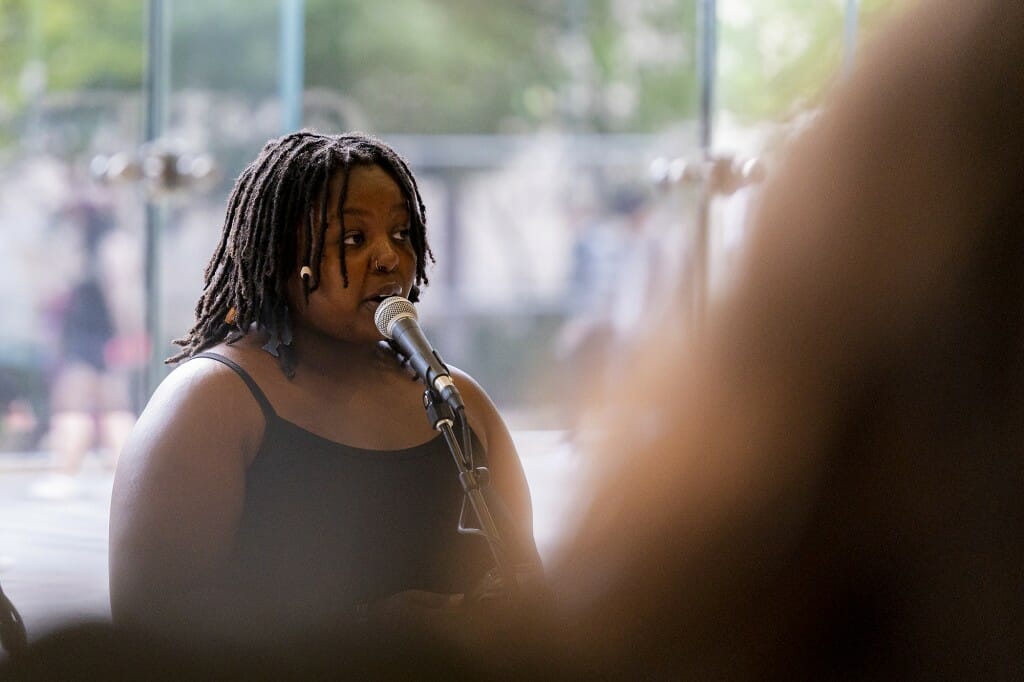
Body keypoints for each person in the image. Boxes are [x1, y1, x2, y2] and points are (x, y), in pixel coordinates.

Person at [108, 131, 541, 648]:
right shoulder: (211, 402)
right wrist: (368, 632)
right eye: (353, 240)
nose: (388, 259)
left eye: (402, 233)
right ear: (281, 255)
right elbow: (148, 631)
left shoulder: (454, 399)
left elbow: (529, 586)